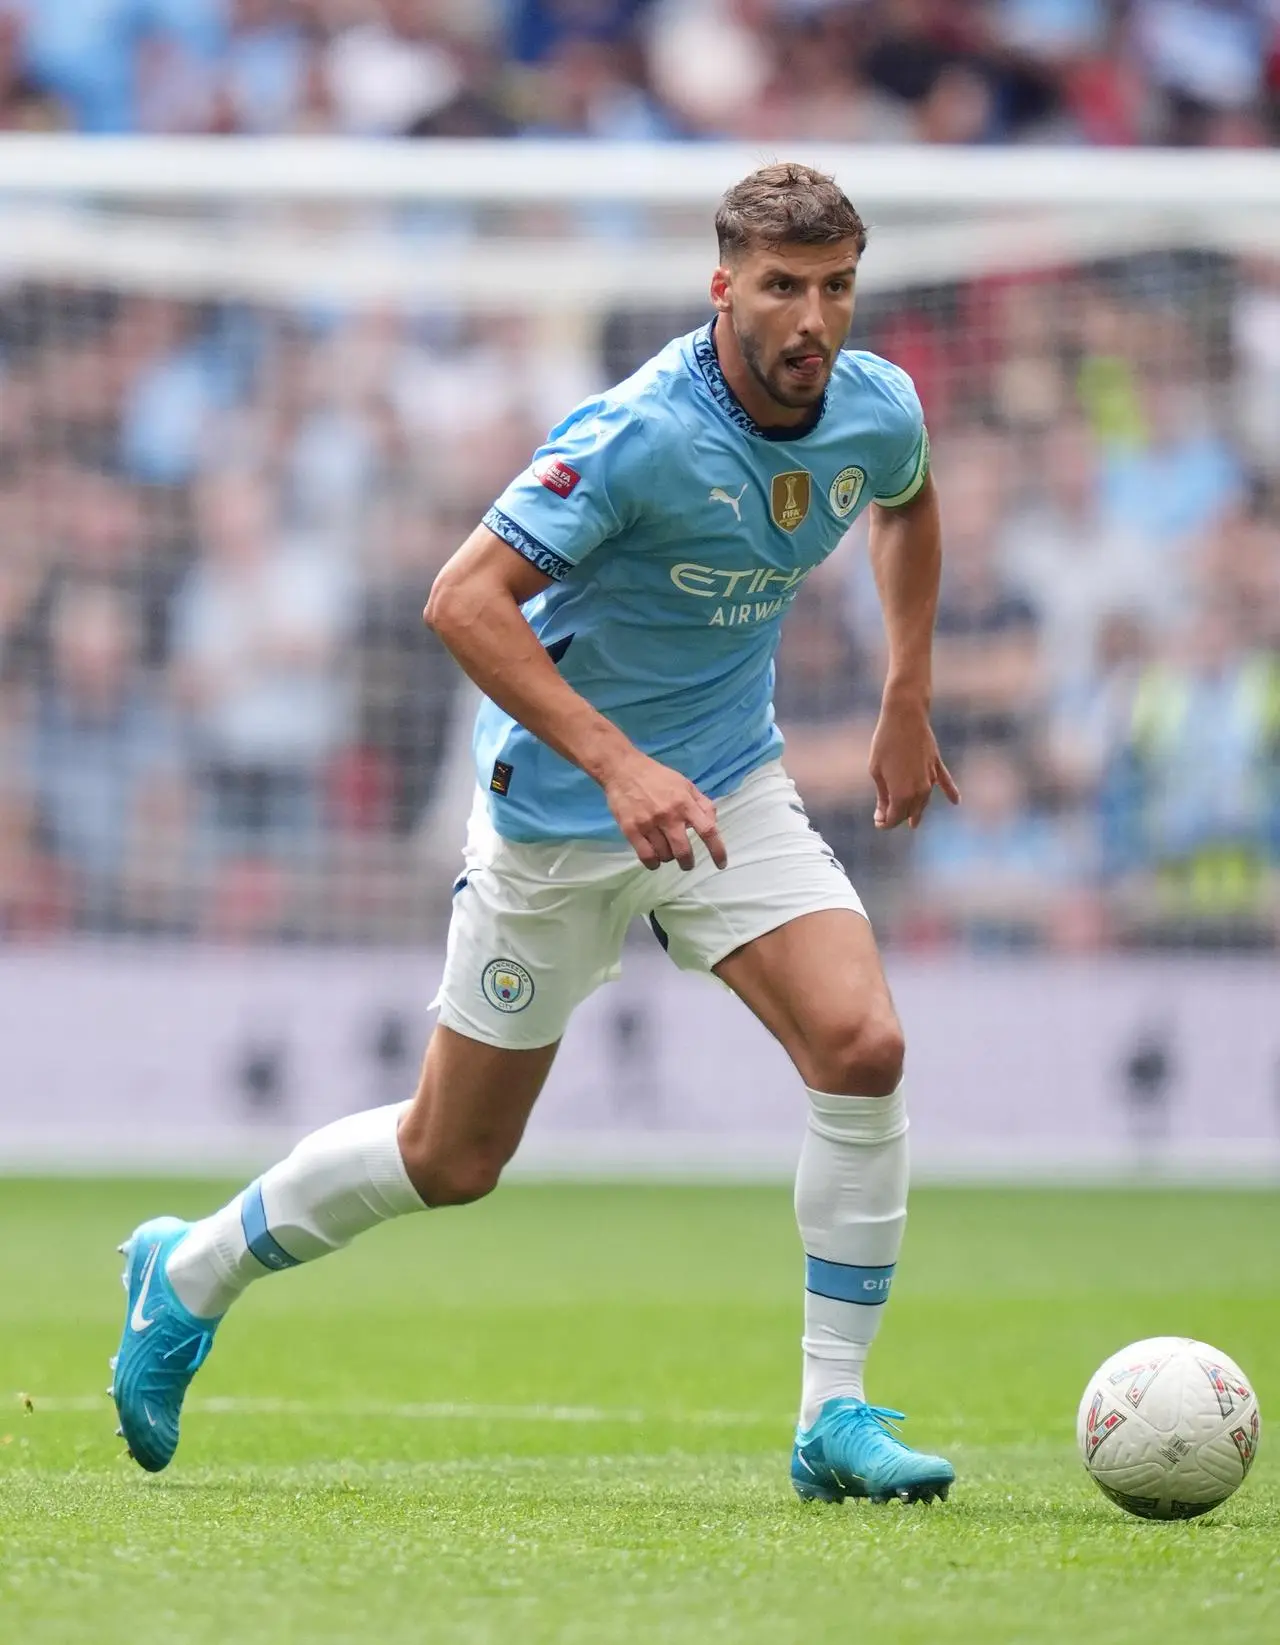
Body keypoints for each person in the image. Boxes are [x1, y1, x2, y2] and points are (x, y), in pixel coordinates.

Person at [109, 163, 961, 1506]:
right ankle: (192, 1268)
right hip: (563, 816)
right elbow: (462, 602)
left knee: (864, 1044)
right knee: (454, 1159)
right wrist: (619, 764)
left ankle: (832, 1413)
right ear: (723, 285)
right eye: (785, 287)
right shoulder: (636, 434)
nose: (815, 318)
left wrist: (907, 690)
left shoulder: (875, 406)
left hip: (728, 787)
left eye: (838, 285)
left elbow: (906, 499)